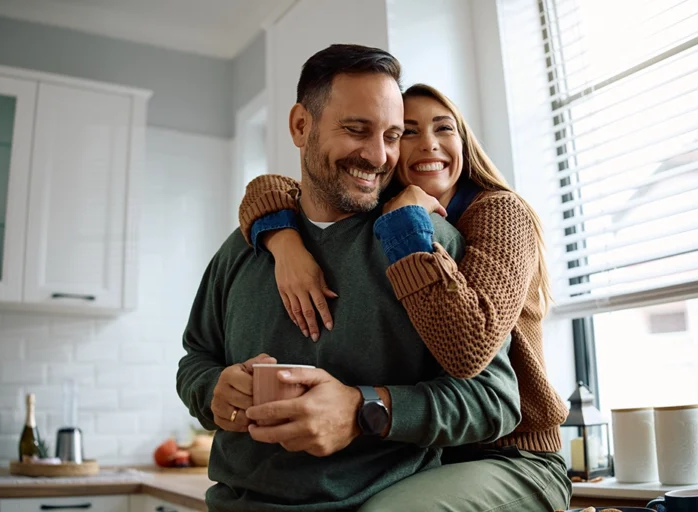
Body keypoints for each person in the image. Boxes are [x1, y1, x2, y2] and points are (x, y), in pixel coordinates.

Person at [177, 44, 560, 512]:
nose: (380, 155)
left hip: (497, 463)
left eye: (392, 135)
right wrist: (213, 391)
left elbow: (485, 388)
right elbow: (196, 359)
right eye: (357, 129)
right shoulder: (250, 242)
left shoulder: (439, 237)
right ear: (300, 126)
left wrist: (362, 410)